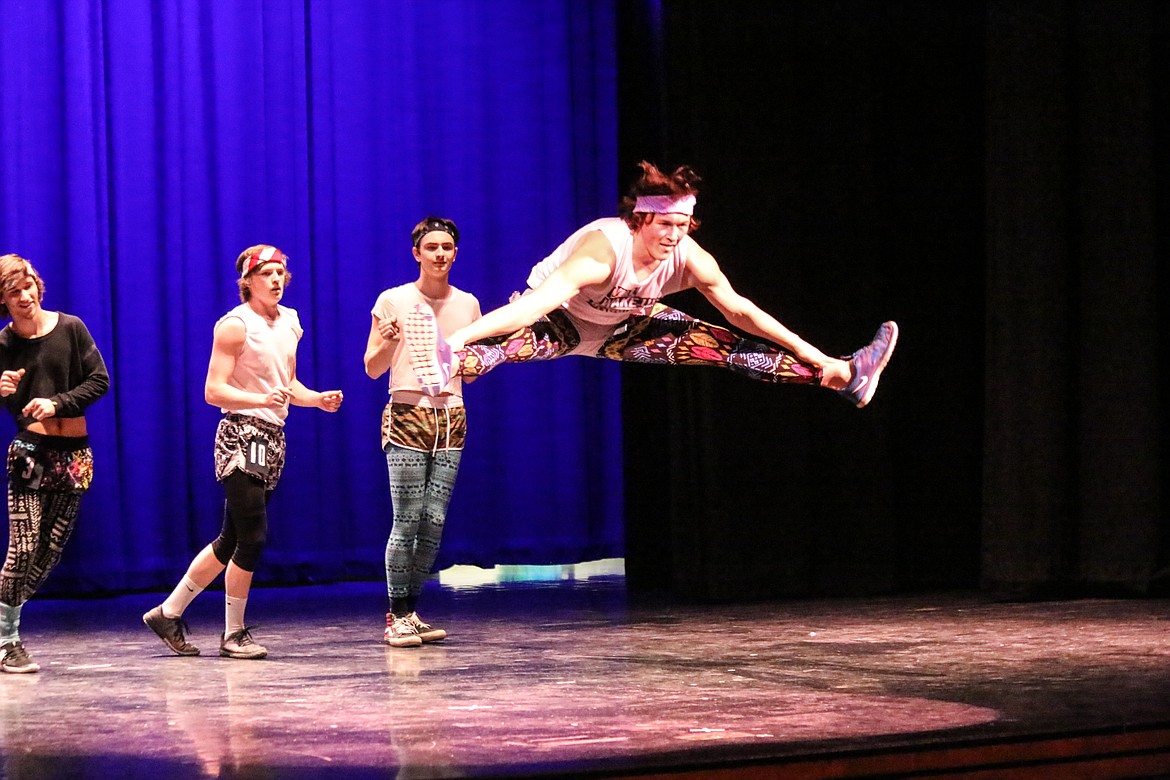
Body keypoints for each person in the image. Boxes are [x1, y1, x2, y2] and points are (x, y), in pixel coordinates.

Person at [414, 162, 897, 407]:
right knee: (500, 347)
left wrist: (816, 354)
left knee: (728, 348)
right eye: (664, 226)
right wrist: (452, 340)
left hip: (627, 328)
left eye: (683, 226)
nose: (673, 236)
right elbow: (526, 311)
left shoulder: (687, 256)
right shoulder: (604, 251)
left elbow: (741, 312)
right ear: (640, 220)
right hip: (559, 321)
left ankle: (844, 375)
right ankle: (444, 363)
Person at [143, 245, 343, 660]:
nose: (275, 280)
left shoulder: (290, 321)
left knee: (229, 539)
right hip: (241, 436)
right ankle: (233, 633)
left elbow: (287, 384)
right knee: (252, 537)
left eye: (280, 273)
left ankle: (168, 612)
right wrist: (256, 398)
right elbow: (213, 389)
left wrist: (316, 399)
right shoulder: (235, 325)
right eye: (266, 273)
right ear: (248, 282)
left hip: (272, 437)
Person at [364, 217, 481, 648]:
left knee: (434, 522)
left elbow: (471, 370)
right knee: (407, 518)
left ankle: (412, 611)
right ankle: (395, 616)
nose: (440, 254)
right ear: (417, 253)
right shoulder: (393, 300)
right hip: (408, 414)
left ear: (455, 252)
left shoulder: (468, 303)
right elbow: (372, 367)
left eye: (447, 247)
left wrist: (483, 359)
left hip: (451, 416)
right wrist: (390, 340)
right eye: (431, 247)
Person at [0, 254, 109, 673]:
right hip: (31, 454)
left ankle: (5, 615)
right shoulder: (4, 345)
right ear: (4, 300)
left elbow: (99, 380)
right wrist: (2, 387)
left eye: (28, 287)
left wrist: (57, 402)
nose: (24, 296)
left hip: (75, 456)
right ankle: (9, 640)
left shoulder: (71, 328)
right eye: (14, 292)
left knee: (47, 555)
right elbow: (9, 399)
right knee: (23, 548)